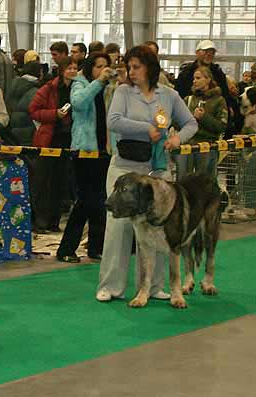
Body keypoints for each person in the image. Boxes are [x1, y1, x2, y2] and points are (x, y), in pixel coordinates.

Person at [96, 45, 197, 302]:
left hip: (157, 169)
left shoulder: (169, 95)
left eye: (136, 67)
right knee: (118, 227)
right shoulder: (123, 92)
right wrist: (146, 129)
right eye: (129, 67)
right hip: (125, 167)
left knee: (158, 228)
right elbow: (114, 120)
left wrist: (177, 140)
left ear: (150, 68)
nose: (131, 71)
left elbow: (190, 123)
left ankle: (154, 287)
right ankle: (110, 286)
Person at [57, 53, 114, 263]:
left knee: (100, 201)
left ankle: (95, 247)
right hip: (83, 151)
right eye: (98, 66)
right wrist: (98, 82)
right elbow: (79, 104)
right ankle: (66, 249)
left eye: (106, 66)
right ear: (90, 68)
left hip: (104, 150)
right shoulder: (79, 84)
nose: (103, 70)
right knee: (84, 201)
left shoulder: (109, 88)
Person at [28, 57, 78, 233]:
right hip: (49, 139)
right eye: (69, 68)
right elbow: (33, 110)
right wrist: (54, 114)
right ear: (62, 70)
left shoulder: (79, 89)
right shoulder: (49, 88)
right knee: (43, 182)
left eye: (75, 68)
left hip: (69, 140)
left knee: (61, 182)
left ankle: (54, 221)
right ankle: (41, 220)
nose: (72, 71)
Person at [175, 66, 228, 180]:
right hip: (186, 145)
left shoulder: (219, 101)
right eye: (194, 78)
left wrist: (204, 117)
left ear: (208, 79)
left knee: (205, 184)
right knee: (183, 182)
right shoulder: (188, 100)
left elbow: (221, 126)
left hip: (207, 147)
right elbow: (177, 123)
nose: (194, 81)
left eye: (198, 78)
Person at [175, 40, 229, 104]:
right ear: (197, 53)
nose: (209, 54)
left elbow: (225, 94)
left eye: (212, 52)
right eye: (205, 51)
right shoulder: (186, 73)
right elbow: (178, 95)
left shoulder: (218, 73)